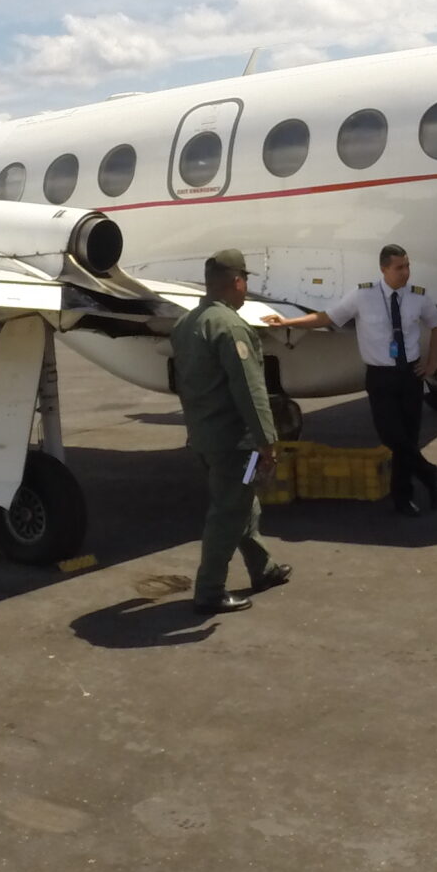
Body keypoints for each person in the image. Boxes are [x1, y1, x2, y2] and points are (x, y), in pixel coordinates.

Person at [268, 244, 437, 516]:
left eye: (407, 266)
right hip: (380, 376)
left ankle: (403, 499)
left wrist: (433, 362)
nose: (405, 272)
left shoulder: (418, 297)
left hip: (410, 375)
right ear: (384, 269)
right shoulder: (363, 296)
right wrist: (287, 322)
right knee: (391, 436)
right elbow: (327, 317)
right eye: (399, 267)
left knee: (408, 439)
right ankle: (429, 473)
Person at [170, 249, 289, 616]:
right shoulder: (231, 327)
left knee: (242, 502)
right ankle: (209, 590)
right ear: (237, 282)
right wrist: (268, 442)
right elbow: (251, 392)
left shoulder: (186, 324)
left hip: (204, 439)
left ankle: (263, 569)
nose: (246, 289)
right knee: (228, 511)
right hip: (236, 445)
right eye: (245, 282)